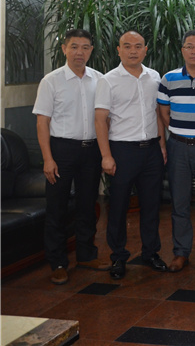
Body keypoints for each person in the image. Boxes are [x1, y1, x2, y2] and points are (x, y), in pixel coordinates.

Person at [33, 29, 109, 285]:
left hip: (91, 151)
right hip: (61, 151)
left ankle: (86, 255)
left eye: (85, 47)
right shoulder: (51, 81)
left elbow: (105, 119)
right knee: (57, 207)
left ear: (91, 50)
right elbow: (42, 123)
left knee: (88, 205)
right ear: (64, 49)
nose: (79, 52)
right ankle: (57, 262)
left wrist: (104, 153)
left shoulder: (99, 79)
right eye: (74, 46)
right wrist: (48, 158)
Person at [95, 30, 168, 280]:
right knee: (118, 206)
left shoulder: (154, 77)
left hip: (151, 150)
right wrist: (106, 155)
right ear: (119, 50)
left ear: (145, 50)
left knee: (151, 205)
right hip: (122, 150)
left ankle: (150, 252)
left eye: (138, 46)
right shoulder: (108, 80)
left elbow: (157, 113)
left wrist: (162, 145)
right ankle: (118, 256)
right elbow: (100, 120)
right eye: (127, 46)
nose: (133, 51)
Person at [157, 30, 195, 273]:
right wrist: (177, 133)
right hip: (178, 147)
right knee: (179, 202)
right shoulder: (169, 78)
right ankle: (181, 252)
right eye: (189, 46)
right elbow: (163, 113)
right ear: (182, 50)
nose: (194, 51)